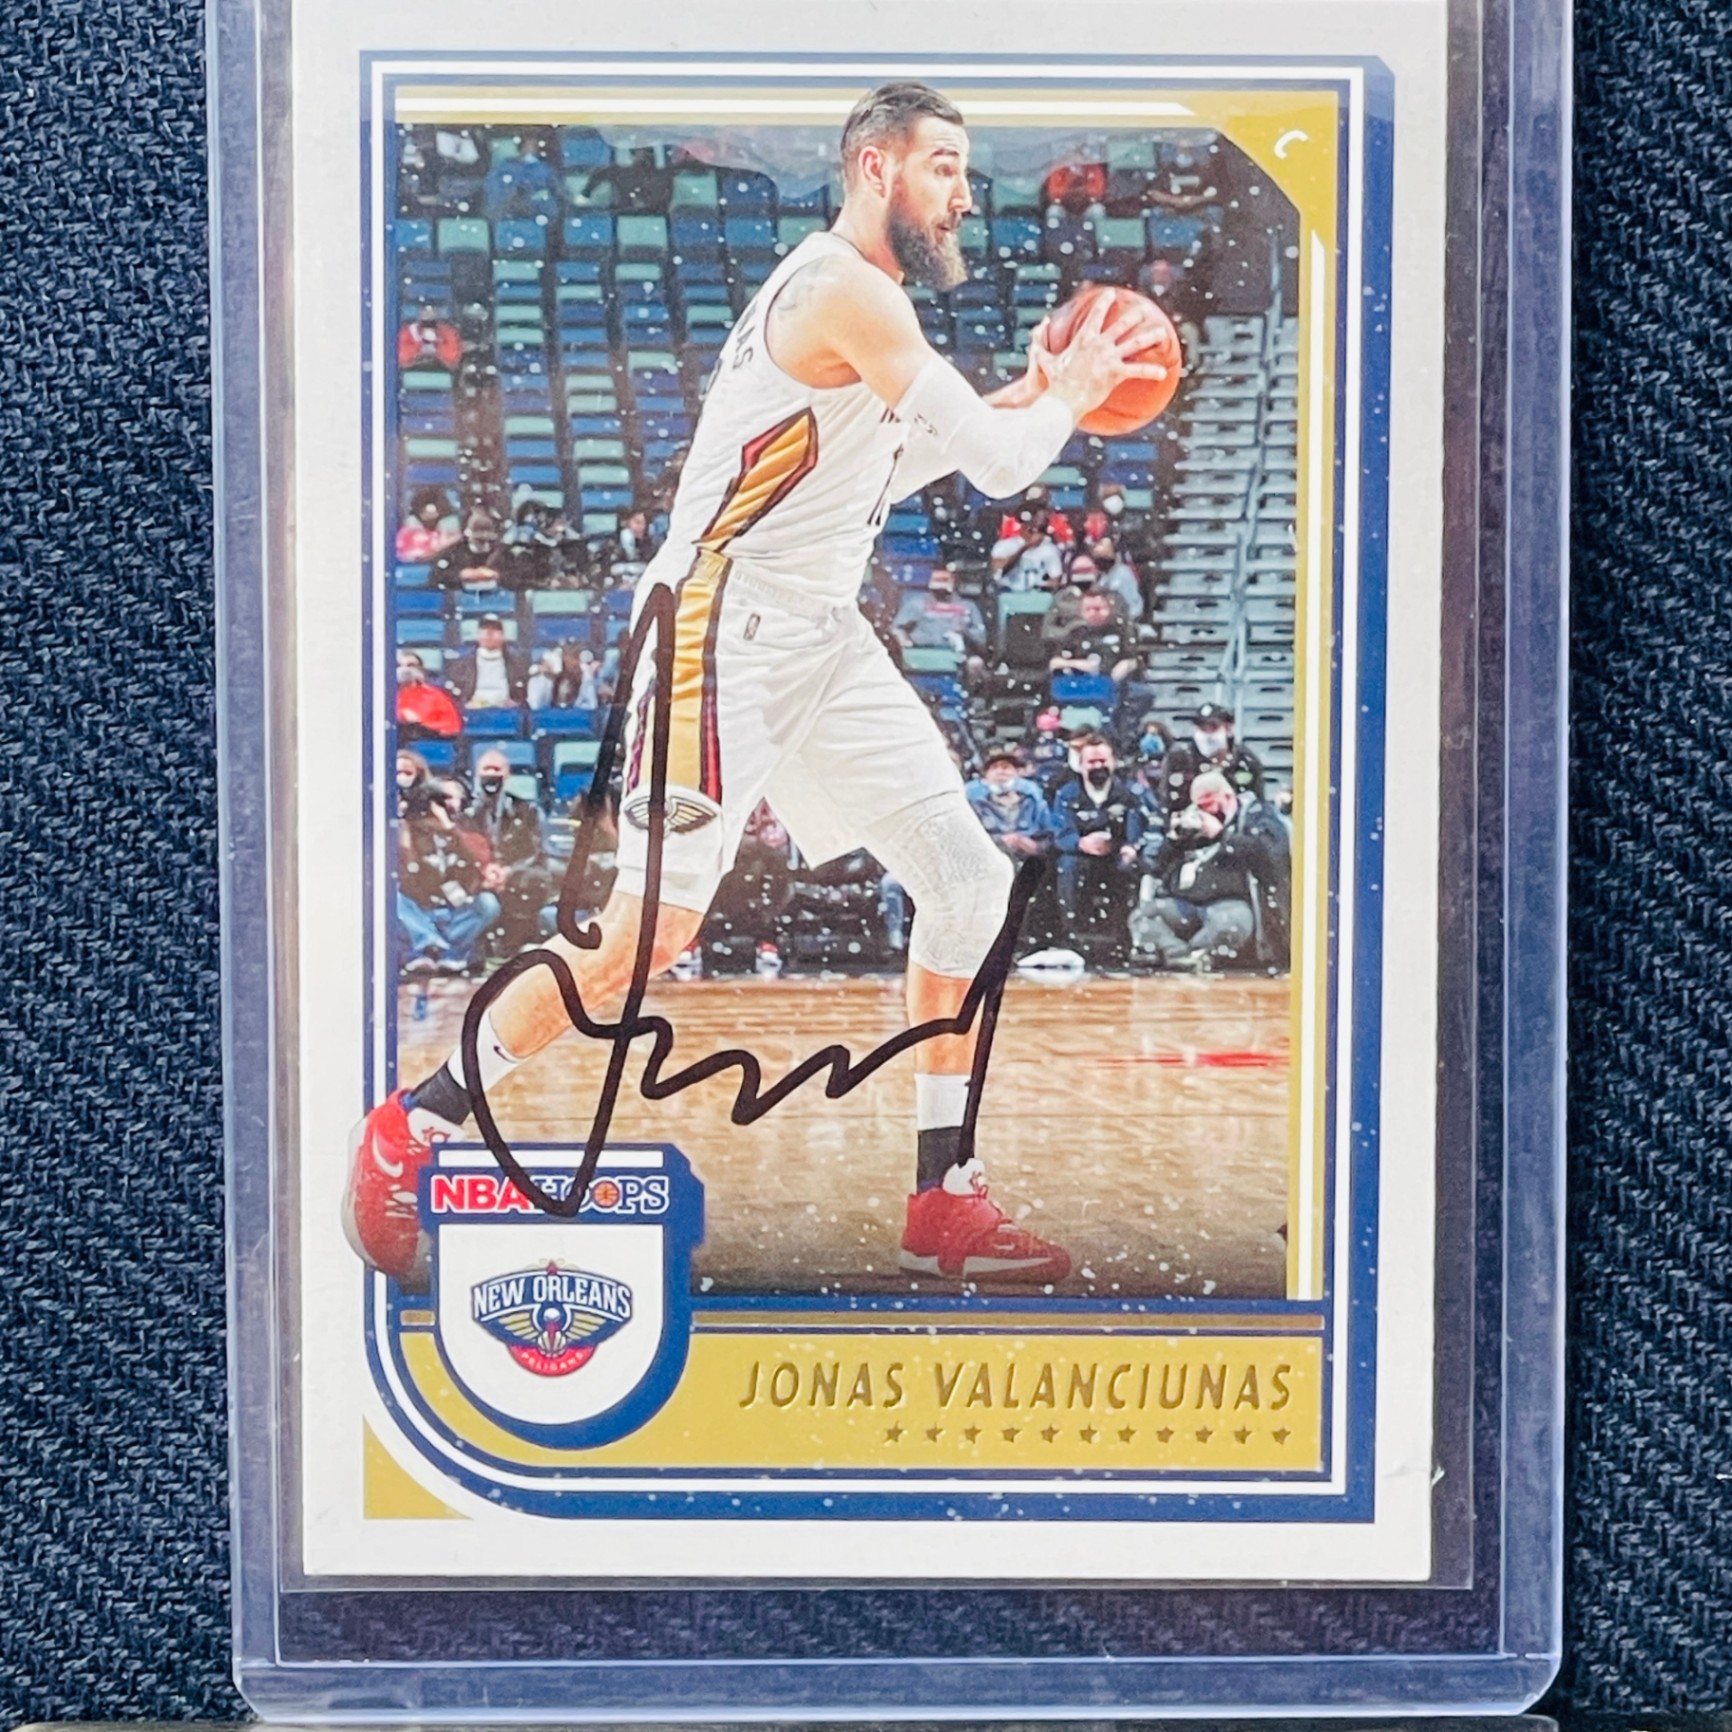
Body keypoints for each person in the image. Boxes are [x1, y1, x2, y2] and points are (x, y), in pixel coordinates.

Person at [346, 79, 1166, 1291]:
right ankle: (410, 1127)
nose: (963, 191)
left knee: (967, 882)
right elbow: (998, 468)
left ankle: (942, 1194)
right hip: (717, 631)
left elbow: (905, 461)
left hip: (816, 632)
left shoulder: (866, 309)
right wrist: (1069, 400)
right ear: (876, 168)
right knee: (645, 936)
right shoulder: (843, 289)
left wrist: (1043, 395)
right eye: (943, 164)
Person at [1133, 770, 1290, 971]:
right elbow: (1157, 868)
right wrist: (1173, 841)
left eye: (1209, 805)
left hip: (1229, 903)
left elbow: (1271, 857)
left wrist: (1222, 835)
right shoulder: (1192, 818)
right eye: (1199, 806)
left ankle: (1196, 953)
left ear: (1228, 797)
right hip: (1186, 903)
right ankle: (1180, 954)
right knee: (1142, 917)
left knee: (1232, 922)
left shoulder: (1257, 815)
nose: (1205, 812)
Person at [1051, 734, 1145, 967]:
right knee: (1067, 866)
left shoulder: (1129, 793)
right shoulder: (1066, 794)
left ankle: (1124, 937)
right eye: (1092, 762)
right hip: (1080, 856)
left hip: (1116, 855)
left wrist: (1129, 847)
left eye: (1103, 761)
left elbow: (1138, 829)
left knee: (1131, 868)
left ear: (1113, 762)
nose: (1098, 766)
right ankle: (1072, 934)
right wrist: (1081, 843)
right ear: (1081, 765)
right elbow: (1060, 834)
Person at [396, 781, 503, 975]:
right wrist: (406, 833)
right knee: (392, 899)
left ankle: (447, 952)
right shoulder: (408, 834)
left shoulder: (463, 833)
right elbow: (407, 876)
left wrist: (448, 827)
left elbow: (478, 863)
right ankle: (429, 946)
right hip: (422, 912)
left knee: (488, 903)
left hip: (456, 913)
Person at [465, 748, 552, 951]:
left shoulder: (526, 810)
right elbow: (462, 849)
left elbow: (534, 851)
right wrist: (485, 872)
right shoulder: (467, 813)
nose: (491, 774)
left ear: (507, 774)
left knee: (534, 879)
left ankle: (519, 942)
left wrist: (507, 872)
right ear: (477, 774)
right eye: (487, 769)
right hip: (479, 878)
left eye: (497, 769)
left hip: (516, 874)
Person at [1155, 702, 1266, 815]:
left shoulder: (1245, 761)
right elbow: (1168, 802)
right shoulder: (1179, 759)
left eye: (1213, 727)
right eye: (1201, 728)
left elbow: (1256, 805)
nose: (1206, 736)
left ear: (1228, 728)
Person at [893, 564, 987, 681]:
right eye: (937, 588)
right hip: (921, 653)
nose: (941, 592)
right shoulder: (917, 604)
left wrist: (965, 632)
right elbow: (897, 628)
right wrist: (905, 642)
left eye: (944, 586)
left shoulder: (968, 607)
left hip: (957, 655)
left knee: (976, 663)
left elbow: (980, 641)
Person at [965, 751, 1052, 862]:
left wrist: (1036, 847)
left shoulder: (1034, 803)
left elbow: (1050, 836)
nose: (1001, 771)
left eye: (1006, 767)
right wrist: (1000, 842)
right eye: (994, 768)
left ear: (1017, 773)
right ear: (986, 776)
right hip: (992, 861)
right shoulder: (977, 806)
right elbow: (971, 840)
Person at [1049, 587, 1141, 687]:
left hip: (1119, 686)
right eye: (1088, 609)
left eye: (1098, 609)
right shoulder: (1076, 634)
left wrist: (1126, 666)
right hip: (1083, 686)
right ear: (1081, 612)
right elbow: (1054, 662)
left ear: (1109, 608)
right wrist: (1076, 664)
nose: (1093, 613)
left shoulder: (1123, 631)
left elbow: (1134, 660)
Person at [444, 613, 529, 709]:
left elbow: (523, 696)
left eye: (495, 629)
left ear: (503, 636)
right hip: (473, 712)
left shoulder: (517, 665)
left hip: (506, 712)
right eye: (484, 629)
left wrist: (514, 703)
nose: (489, 633)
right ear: (478, 635)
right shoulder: (461, 666)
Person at [432, 510, 508, 594]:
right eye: (477, 530)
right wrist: (461, 575)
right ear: (467, 531)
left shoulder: (504, 552)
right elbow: (437, 575)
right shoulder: (452, 553)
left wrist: (496, 575)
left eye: (487, 530)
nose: (482, 535)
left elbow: (515, 575)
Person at [989, 509, 1066, 592]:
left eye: (1041, 530)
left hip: (1037, 595)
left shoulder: (1050, 549)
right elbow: (999, 571)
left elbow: (1055, 580)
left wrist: (1042, 585)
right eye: (1031, 530)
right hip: (1007, 593)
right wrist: (1025, 548)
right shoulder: (1004, 545)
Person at [395, 650, 463, 742]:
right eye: (399, 665)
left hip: (426, 740)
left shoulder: (436, 695)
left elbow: (453, 726)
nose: (404, 669)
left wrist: (420, 722)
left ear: (420, 669)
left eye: (411, 665)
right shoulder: (385, 696)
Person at [528, 641, 606, 710]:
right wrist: (547, 677)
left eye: (577, 659)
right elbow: (536, 706)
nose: (576, 663)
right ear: (565, 658)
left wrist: (588, 679)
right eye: (574, 658)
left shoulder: (585, 674)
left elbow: (591, 705)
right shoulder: (543, 676)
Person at [395, 487, 459, 564]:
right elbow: (410, 557)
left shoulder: (449, 533)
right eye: (426, 513)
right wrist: (438, 550)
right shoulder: (407, 533)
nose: (431, 516)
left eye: (434, 513)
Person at [397, 306, 462, 373]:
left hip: (443, 371)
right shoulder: (408, 332)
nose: (428, 326)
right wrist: (419, 346)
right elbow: (402, 357)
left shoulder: (448, 332)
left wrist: (438, 344)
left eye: (432, 323)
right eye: (425, 323)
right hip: (410, 371)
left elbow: (453, 360)